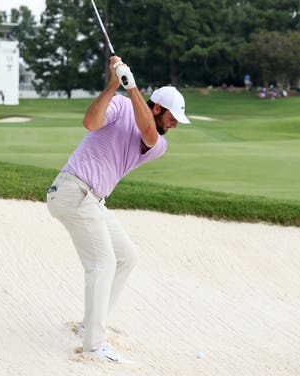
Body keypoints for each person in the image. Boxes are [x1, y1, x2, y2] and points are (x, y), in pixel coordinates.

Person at [46, 55, 190, 363]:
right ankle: (93, 346)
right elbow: (90, 122)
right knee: (103, 264)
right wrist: (114, 86)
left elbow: (148, 133)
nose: (175, 123)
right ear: (157, 107)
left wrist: (132, 86)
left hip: (92, 200)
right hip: (74, 191)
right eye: (172, 116)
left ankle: (90, 326)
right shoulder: (122, 106)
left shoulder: (158, 143)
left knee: (127, 256)